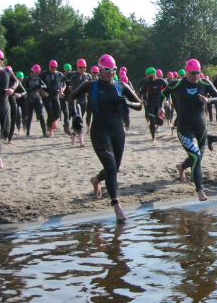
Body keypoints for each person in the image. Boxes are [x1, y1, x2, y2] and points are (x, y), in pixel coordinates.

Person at [68, 54, 142, 221]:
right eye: (107, 69)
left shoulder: (121, 85)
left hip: (117, 131)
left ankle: (96, 180)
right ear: (100, 69)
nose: (110, 72)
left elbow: (139, 105)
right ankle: (117, 206)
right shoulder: (90, 85)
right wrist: (75, 115)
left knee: (114, 168)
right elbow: (71, 97)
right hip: (99, 131)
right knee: (110, 167)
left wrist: (128, 103)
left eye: (113, 69)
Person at [160, 59, 217, 202]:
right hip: (184, 128)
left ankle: (181, 167)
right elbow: (162, 94)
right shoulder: (177, 84)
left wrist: (208, 101)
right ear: (186, 72)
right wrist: (160, 107)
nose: (196, 76)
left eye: (198, 73)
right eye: (193, 73)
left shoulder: (204, 83)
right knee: (195, 156)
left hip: (201, 128)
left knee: (197, 157)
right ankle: (200, 190)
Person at [137, 67, 168, 143]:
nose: (147, 76)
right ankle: (153, 138)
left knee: (160, 122)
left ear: (153, 74)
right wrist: (140, 99)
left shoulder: (161, 82)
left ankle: (157, 123)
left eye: (148, 75)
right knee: (152, 120)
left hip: (160, 104)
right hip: (150, 103)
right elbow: (141, 92)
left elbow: (168, 91)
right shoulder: (147, 83)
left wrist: (168, 99)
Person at [39, 60, 67, 137]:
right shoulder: (44, 74)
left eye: (55, 67)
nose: (54, 69)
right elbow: (38, 84)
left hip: (55, 96)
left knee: (57, 114)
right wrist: (42, 91)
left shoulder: (59, 74)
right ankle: (50, 131)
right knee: (50, 113)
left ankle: (48, 124)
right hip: (46, 96)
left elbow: (63, 84)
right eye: (52, 67)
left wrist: (61, 91)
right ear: (49, 66)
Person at [68, 58, 92, 139]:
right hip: (76, 100)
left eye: (84, 67)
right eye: (81, 67)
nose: (83, 69)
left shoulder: (88, 76)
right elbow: (61, 79)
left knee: (80, 117)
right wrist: (61, 90)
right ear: (77, 67)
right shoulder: (73, 76)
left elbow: (91, 86)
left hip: (84, 99)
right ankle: (80, 139)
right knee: (79, 118)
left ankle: (73, 135)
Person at [22, 65, 48, 137]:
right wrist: (34, 87)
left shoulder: (38, 79)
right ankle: (28, 132)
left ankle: (44, 132)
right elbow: (25, 89)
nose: (36, 74)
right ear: (32, 71)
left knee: (41, 115)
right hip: (30, 99)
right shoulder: (27, 79)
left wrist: (40, 86)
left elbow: (45, 86)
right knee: (29, 116)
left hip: (37, 98)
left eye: (38, 73)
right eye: (35, 72)